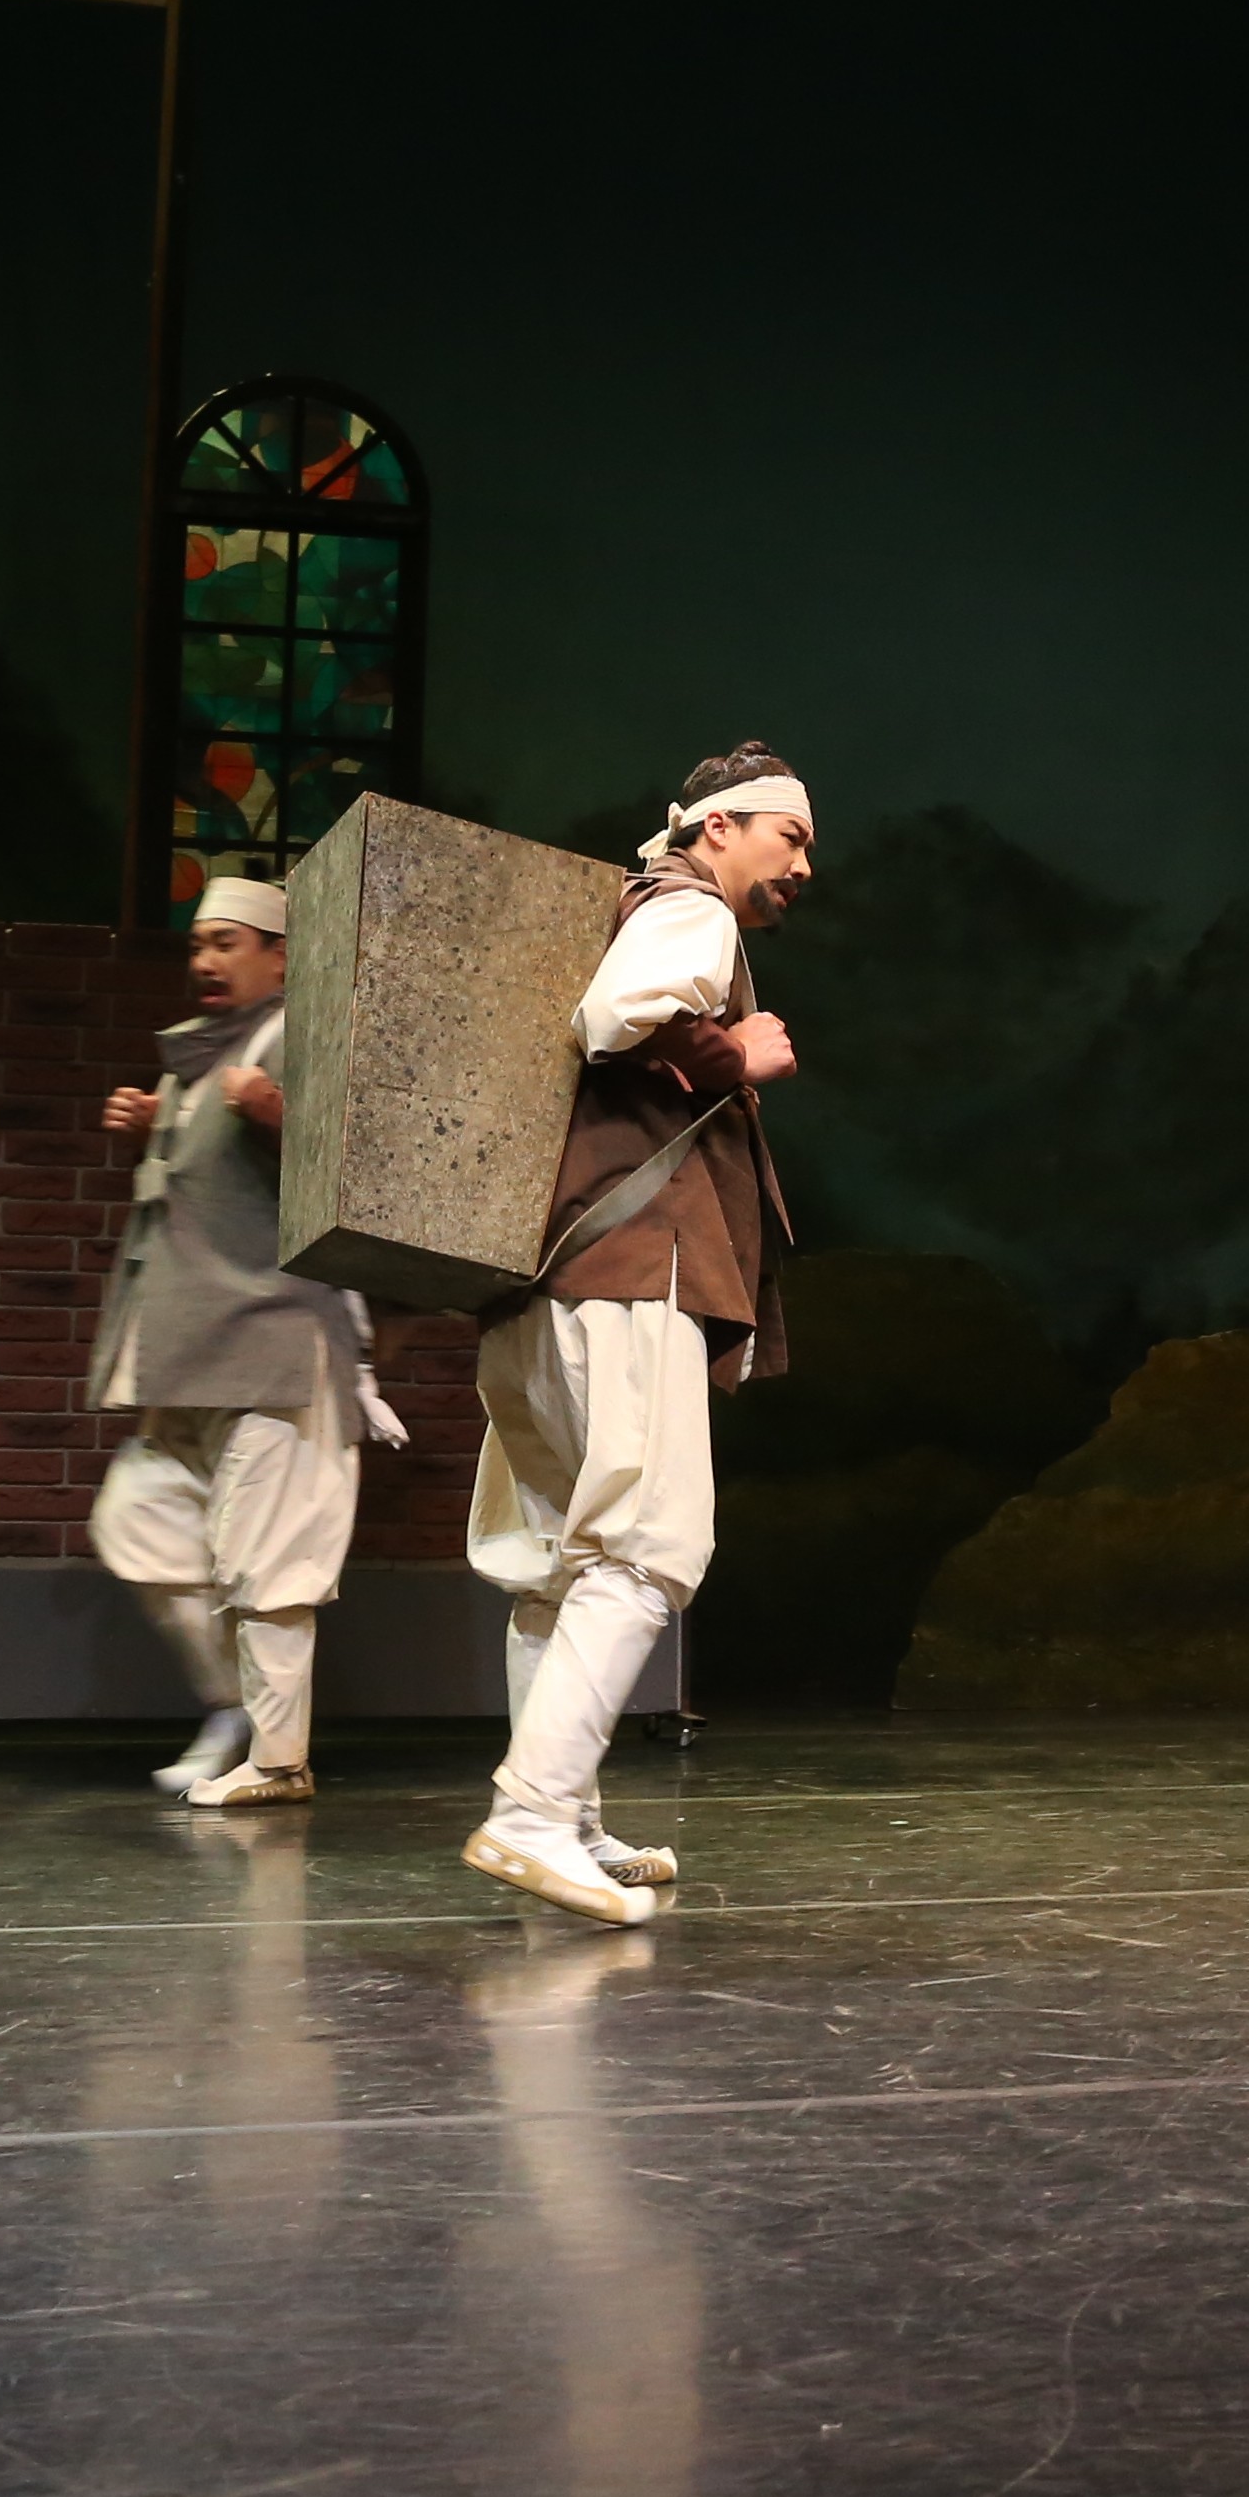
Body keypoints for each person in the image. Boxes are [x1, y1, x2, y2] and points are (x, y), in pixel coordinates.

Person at [460, 744, 811, 1926]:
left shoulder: (623, 907)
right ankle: (530, 1815)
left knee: (558, 1566)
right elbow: (619, 1016)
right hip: (624, 1271)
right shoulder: (690, 909)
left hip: (542, 1283)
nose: (804, 865)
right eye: (791, 836)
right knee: (652, 1542)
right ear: (718, 829)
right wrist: (735, 1053)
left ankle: (567, 1820)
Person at [86, 873, 400, 1809]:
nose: (205, 960)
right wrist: (157, 1129)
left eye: (226, 942)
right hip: (192, 1352)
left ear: (281, 957)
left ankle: (278, 1760)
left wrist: (276, 1114)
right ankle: (235, 1710)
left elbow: (369, 1169)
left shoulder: (300, 1040)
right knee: (139, 1525)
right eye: (197, 943)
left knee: (270, 1564)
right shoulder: (199, 1062)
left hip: (277, 1347)